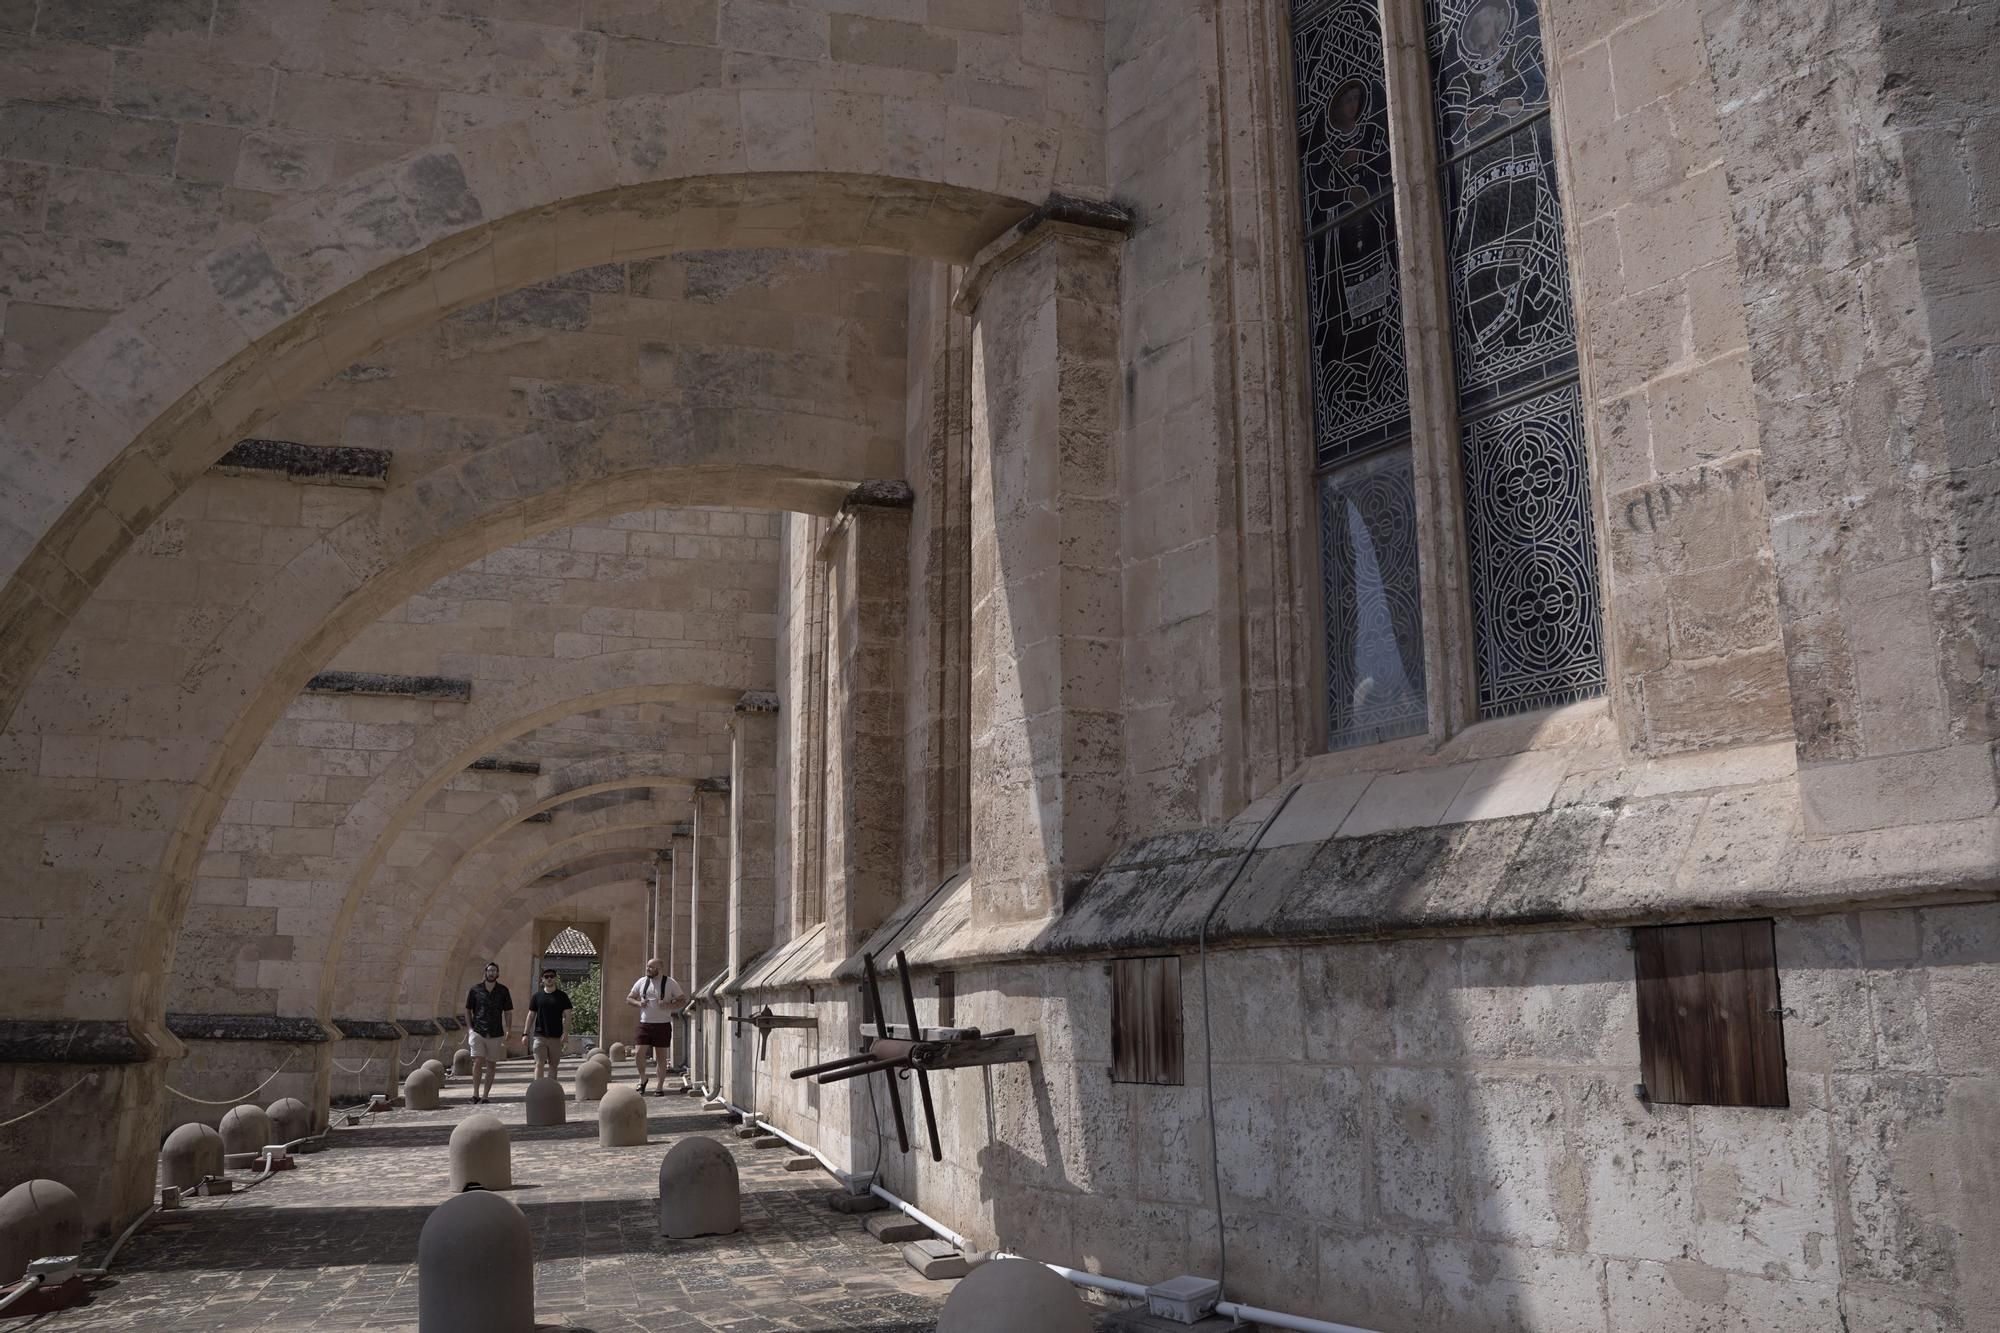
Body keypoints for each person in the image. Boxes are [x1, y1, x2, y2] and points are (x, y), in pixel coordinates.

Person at [625, 958, 685, 1095]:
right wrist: (639, 1003)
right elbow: (629, 998)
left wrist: (668, 1005)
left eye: (651, 967)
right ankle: (643, 1078)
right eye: (647, 966)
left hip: (662, 1025)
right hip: (645, 1023)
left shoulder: (670, 983)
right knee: (638, 1053)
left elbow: (682, 1000)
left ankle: (659, 1087)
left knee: (661, 1057)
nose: (648, 969)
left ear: (659, 969)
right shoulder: (642, 982)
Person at [463, 961, 513, 1104]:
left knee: (491, 1064)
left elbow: (508, 1012)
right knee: (478, 1061)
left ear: (498, 973)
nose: (491, 973)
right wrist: (470, 1029)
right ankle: (475, 1094)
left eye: (494, 971)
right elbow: (467, 1010)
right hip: (478, 1031)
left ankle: (485, 1096)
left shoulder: (503, 991)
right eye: (489, 970)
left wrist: (508, 1029)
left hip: (496, 1032)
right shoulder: (475, 990)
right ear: (485, 972)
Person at [523, 967, 572, 1081]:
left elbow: (568, 1015)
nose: (549, 978)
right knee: (539, 1063)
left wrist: (565, 1033)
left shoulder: (562, 996)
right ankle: (538, 1088)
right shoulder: (536, 997)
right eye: (546, 977)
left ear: (555, 979)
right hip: (540, 1036)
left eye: (551, 976)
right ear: (542, 979)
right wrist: (525, 1034)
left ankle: (551, 1089)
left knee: (553, 1065)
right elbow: (530, 1015)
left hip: (556, 1037)